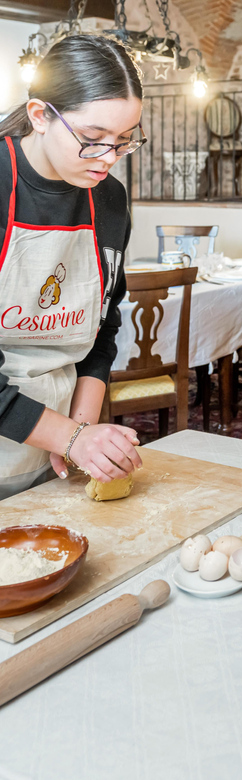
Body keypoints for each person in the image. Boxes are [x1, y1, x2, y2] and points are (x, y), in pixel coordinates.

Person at [0, 34, 147, 501]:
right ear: (41, 115)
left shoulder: (108, 199)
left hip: (52, 453)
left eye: (124, 142)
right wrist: (69, 436)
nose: (107, 159)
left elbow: (101, 326)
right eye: (92, 139)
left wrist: (80, 430)